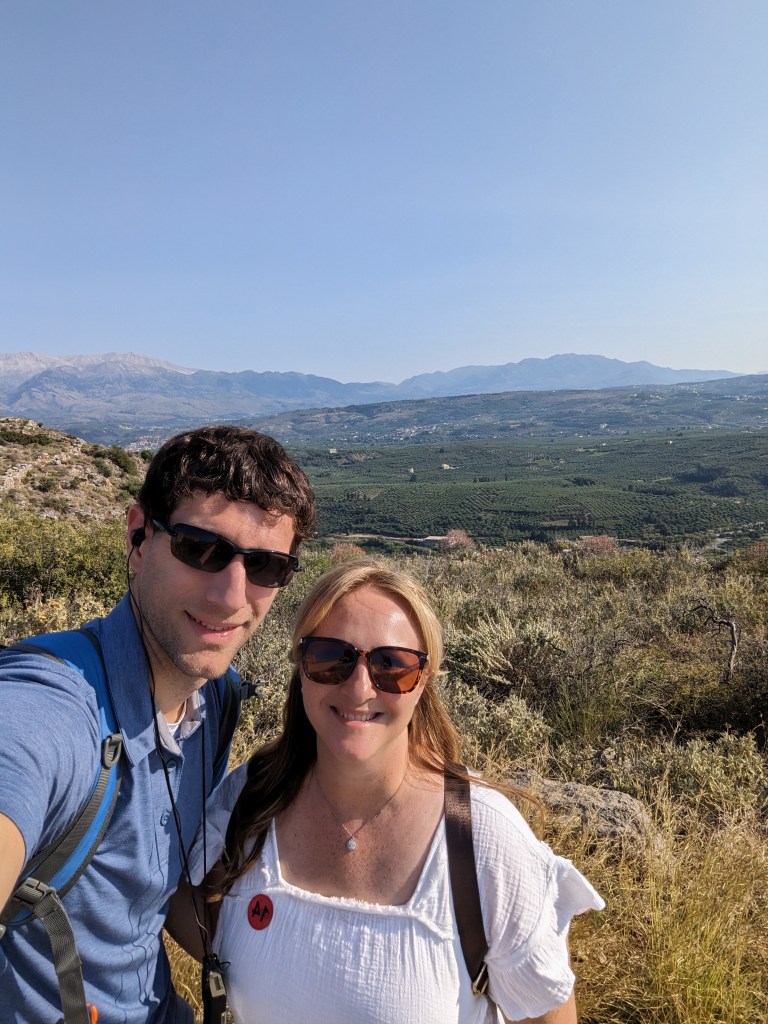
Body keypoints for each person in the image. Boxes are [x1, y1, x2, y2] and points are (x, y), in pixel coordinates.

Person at [182, 558, 604, 1024]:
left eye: (392, 666)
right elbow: (161, 897)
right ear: (301, 669)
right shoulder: (251, 800)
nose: (359, 688)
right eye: (330, 658)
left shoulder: (482, 838)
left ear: (423, 682)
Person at [0, 425, 316, 1024]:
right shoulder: (53, 705)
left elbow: (158, 895)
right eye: (200, 548)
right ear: (139, 538)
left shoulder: (215, 698)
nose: (231, 595)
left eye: (266, 566)